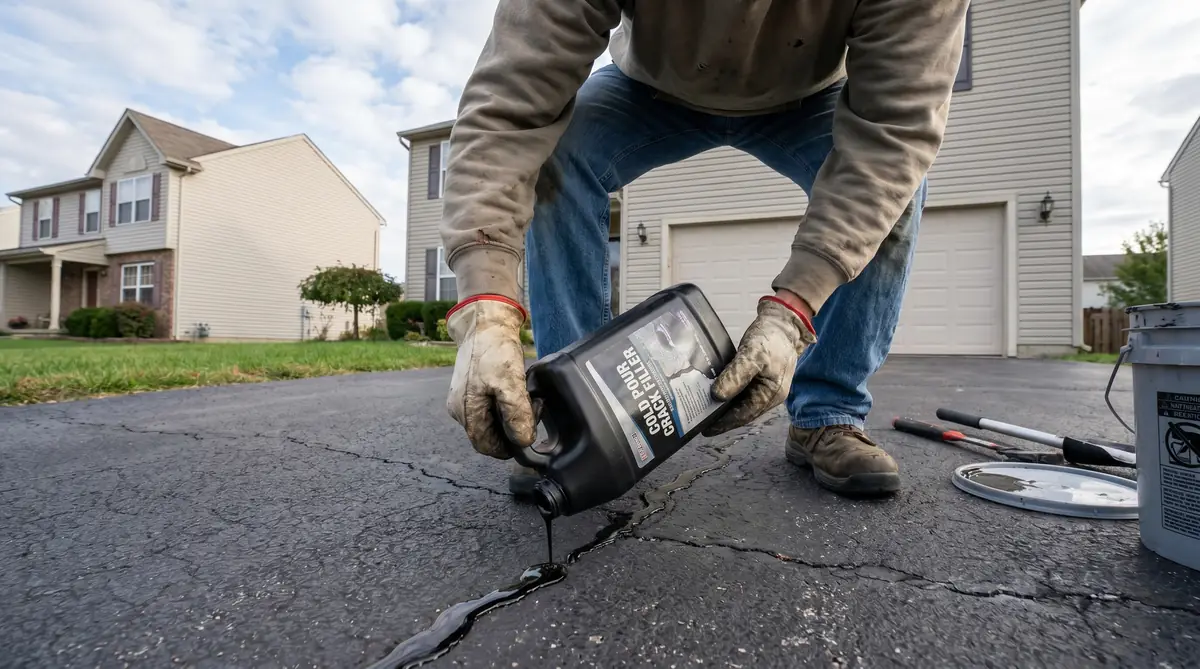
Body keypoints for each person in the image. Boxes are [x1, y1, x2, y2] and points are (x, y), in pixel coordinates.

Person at [440, 0, 970, 499]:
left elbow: (891, 136)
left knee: (892, 196)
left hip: (808, 96)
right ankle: (570, 412)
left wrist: (793, 313)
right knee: (558, 151)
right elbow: (511, 105)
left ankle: (828, 414)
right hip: (648, 89)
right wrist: (485, 309)